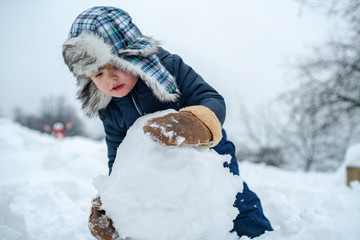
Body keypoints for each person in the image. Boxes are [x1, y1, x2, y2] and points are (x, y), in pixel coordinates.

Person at [62, 6, 272, 240]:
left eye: (116, 65)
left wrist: (196, 121)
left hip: (206, 156)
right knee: (164, 217)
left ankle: (257, 235)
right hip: (157, 171)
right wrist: (115, 198)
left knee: (233, 202)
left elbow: (211, 98)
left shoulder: (169, 68)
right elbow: (118, 156)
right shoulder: (109, 108)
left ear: (133, 55)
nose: (110, 79)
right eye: (97, 74)